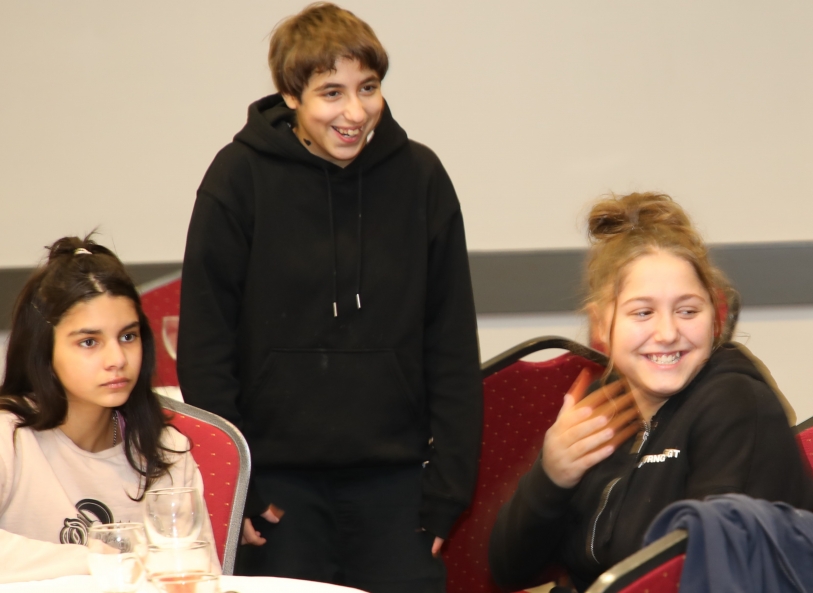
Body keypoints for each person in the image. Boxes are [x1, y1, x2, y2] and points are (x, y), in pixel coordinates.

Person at [177, 4, 482, 592]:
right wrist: (238, 483)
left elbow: (451, 344)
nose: (355, 112)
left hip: (399, 486)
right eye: (331, 92)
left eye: (368, 88)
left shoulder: (420, 177)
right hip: (276, 489)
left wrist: (450, 486)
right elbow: (206, 347)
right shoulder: (238, 178)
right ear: (291, 96)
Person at [488, 193, 813, 592]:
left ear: (715, 316)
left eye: (688, 311)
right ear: (601, 324)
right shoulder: (605, 404)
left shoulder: (735, 406)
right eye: (643, 312)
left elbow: (701, 572)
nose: (667, 333)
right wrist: (551, 476)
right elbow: (508, 569)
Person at [0, 236, 215, 583]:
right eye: (89, 342)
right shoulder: (9, 437)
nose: (117, 359)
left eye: (128, 337)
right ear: (43, 351)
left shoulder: (167, 450)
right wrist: (95, 559)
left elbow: (194, 575)